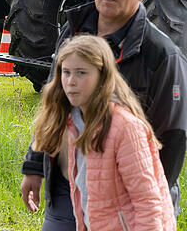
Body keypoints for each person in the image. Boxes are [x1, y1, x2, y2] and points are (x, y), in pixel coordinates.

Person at [20, 0, 187, 231]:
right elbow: (54, 103)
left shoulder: (162, 54)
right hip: (66, 188)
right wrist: (35, 164)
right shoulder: (73, 30)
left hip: (123, 199)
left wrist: (151, 204)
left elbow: (172, 140)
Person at [32, 35, 176, 231]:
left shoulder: (125, 127)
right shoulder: (72, 122)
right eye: (66, 72)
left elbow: (148, 202)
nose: (71, 81)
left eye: (81, 73)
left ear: (102, 76)